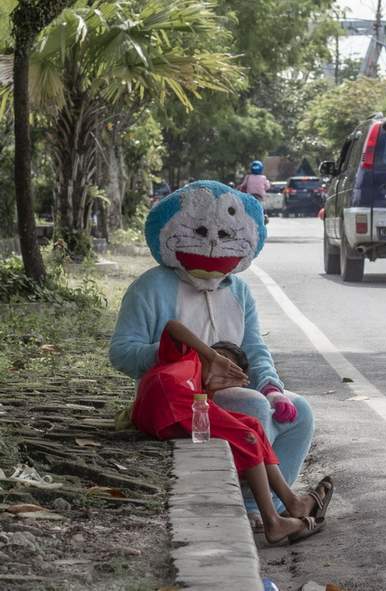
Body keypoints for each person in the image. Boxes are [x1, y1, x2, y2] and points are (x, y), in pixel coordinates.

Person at [109, 180, 321, 527]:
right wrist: (183, 359)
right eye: (202, 233)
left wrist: (272, 387)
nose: (212, 244)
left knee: (299, 412)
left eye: (224, 235)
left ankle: (267, 505)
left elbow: (254, 347)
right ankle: (253, 506)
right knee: (253, 407)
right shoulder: (150, 287)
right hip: (181, 397)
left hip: (236, 387)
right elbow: (121, 352)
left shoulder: (239, 290)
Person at [133, 320, 331, 543]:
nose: (222, 368)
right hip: (164, 397)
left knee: (253, 427)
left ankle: (292, 502)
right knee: (247, 438)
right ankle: (273, 521)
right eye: (221, 358)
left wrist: (213, 388)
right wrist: (211, 356)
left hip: (173, 412)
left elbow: (205, 414)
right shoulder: (186, 357)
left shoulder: (201, 394)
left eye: (230, 370)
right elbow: (172, 327)